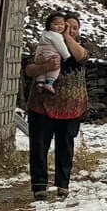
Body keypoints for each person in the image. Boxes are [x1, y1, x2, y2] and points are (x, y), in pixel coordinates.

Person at [24, 10, 90, 198]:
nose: (70, 30)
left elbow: (81, 56)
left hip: (72, 108)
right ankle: (39, 187)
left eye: (75, 28)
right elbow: (29, 68)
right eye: (66, 26)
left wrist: (66, 37)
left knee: (65, 146)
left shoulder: (80, 45)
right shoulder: (45, 44)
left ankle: (63, 184)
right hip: (43, 105)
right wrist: (45, 68)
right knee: (39, 147)